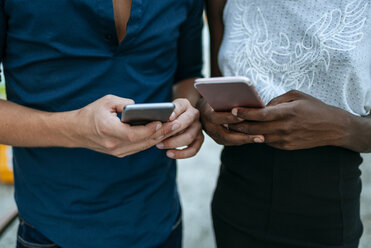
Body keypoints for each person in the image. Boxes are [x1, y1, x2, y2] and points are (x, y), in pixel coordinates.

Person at [0, 0, 204, 247]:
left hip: (159, 219)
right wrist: (75, 129)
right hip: (52, 228)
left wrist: (188, 112)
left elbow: (188, 76)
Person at [202, 0, 371, 247]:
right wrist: (207, 113)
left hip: (327, 212)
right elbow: (215, 87)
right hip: (236, 201)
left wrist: (342, 127)